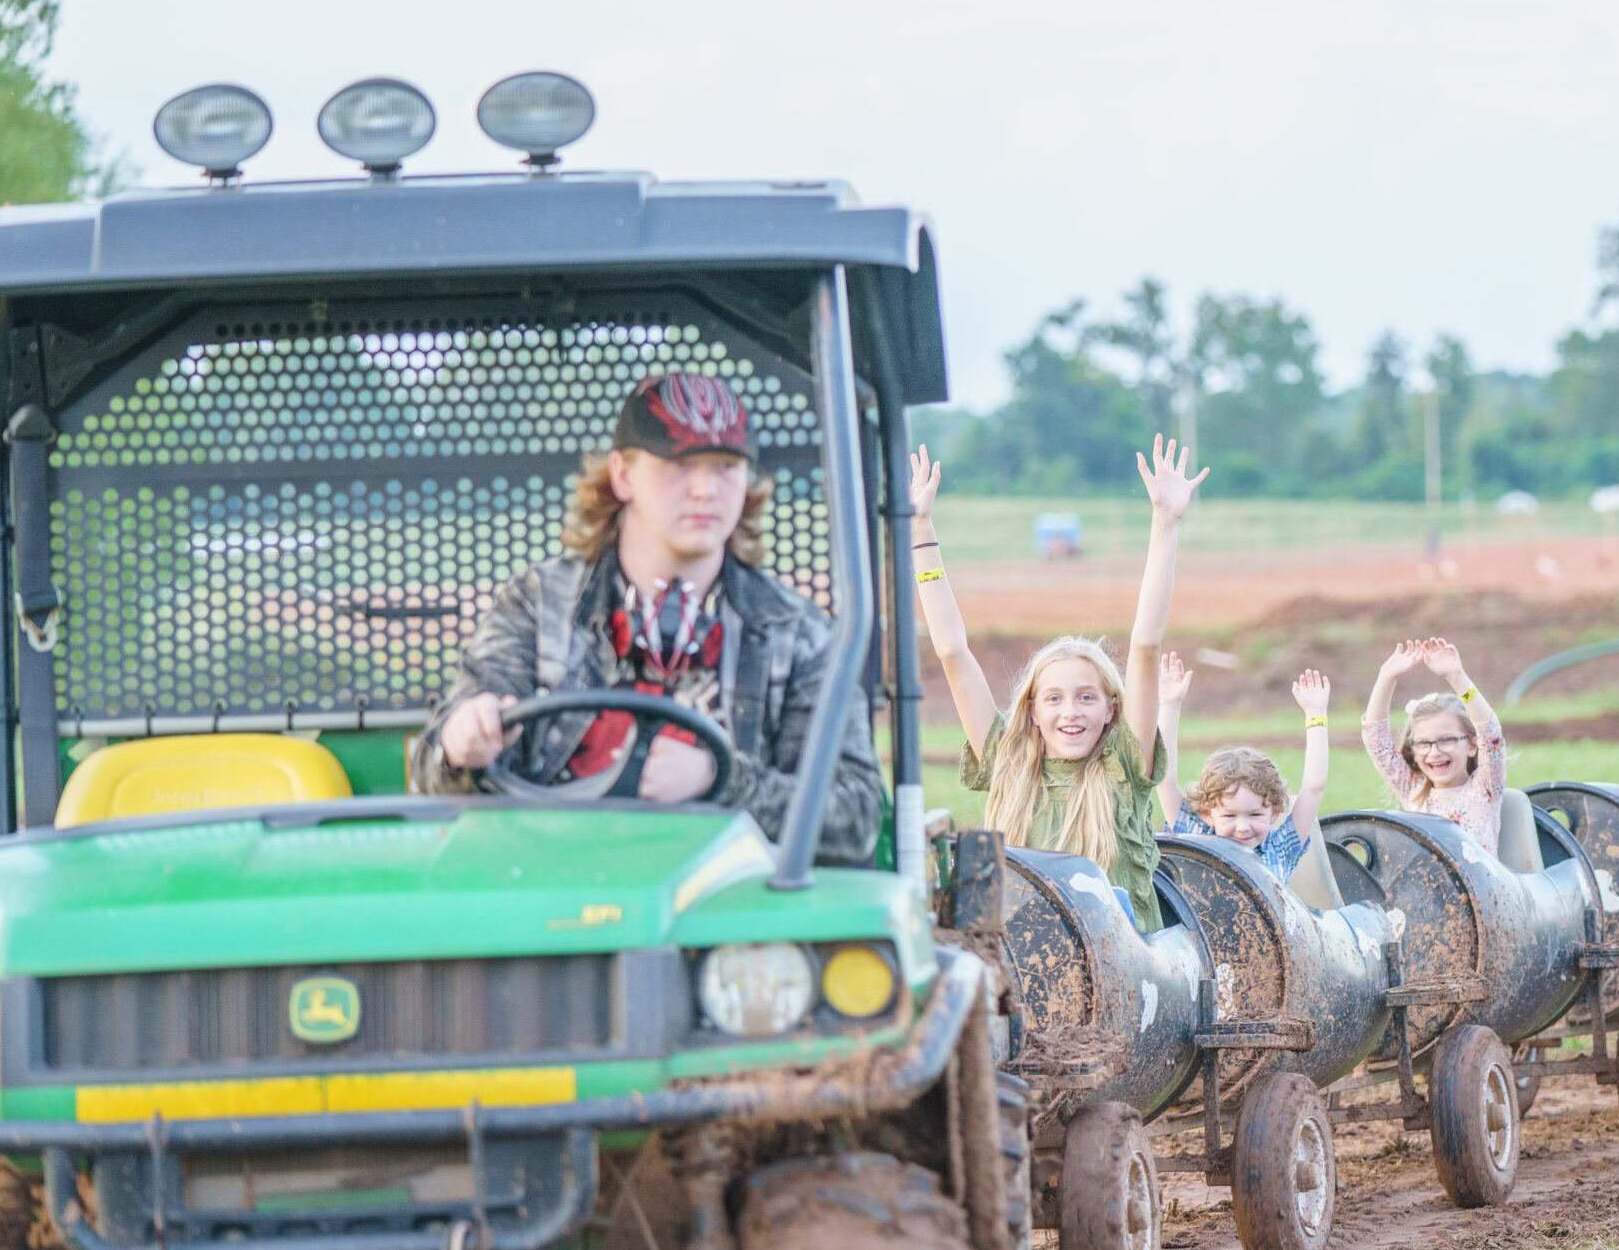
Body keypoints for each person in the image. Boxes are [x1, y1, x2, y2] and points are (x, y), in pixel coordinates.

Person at [413, 371, 884, 860]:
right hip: (545, 879)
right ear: (622, 475)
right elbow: (432, 766)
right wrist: (462, 742)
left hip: (725, 910)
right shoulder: (537, 604)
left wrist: (721, 781)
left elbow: (857, 815)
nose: (705, 489)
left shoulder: (796, 631)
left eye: (725, 465)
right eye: (678, 465)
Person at [911, 434, 1206, 931]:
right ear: (1032, 710)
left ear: (1111, 710)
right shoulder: (1005, 757)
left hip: (1125, 968)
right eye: (1054, 698)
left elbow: (1145, 645)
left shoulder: (1123, 766)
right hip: (1024, 962)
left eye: (1086, 697)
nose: (1070, 712)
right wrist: (920, 529)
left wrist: (1166, 523)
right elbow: (952, 652)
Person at [1154, 656, 1332, 884]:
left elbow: (1313, 788)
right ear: (1209, 814)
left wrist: (1316, 714)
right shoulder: (1197, 839)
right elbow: (1164, 779)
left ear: (1274, 813)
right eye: (1229, 815)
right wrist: (1169, 705)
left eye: (1255, 814)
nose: (1242, 827)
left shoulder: (1280, 849)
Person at [1361, 638, 1506, 853]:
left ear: (1472, 745)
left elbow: (1490, 733)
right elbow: (1376, 740)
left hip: (1479, 886)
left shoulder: (1484, 787)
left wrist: (1457, 677)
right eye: (1423, 743)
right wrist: (1386, 677)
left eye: (1446, 740)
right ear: (1412, 749)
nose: (1434, 752)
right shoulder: (1412, 788)